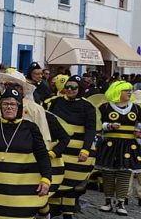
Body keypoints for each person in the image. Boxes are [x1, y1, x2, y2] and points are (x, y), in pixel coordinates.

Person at [0, 87, 54, 219]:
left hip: (21, 189)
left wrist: (46, 178)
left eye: (13, 104)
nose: (9, 107)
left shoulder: (31, 128)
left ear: (19, 107)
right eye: (5, 104)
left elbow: (42, 155)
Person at [43, 75, 98, 219]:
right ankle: (53, 209)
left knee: (71, 183)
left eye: (74, 87)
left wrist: (85, 150)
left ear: (80, 89)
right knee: (56, 180)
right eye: (67, 86)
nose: (70, 90)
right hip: (59, 148)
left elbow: (91, 130)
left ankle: (68, 212)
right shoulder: (55, 102)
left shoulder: (87, 106)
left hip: (77, 151)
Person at [94, 80, 140, 215]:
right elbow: (97, 124)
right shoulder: (105, 107)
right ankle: (108, 201)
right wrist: (109, 126)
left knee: (125, 173)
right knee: (108, 174)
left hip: (129, 145)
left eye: (130, 90)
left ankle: (121, 202)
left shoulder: (136, 108)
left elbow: (139, 124)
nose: (129, 92)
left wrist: (138, 131)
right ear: (117, 92)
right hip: (110, 144)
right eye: (126, 90)